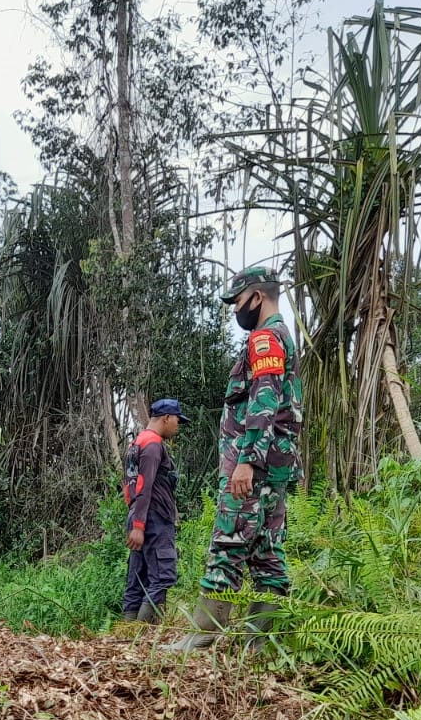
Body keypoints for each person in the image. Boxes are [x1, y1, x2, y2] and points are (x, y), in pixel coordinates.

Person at [164, 266, 302, 652]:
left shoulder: (266, 339)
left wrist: (247, 461)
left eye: (238, 302)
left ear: (257, 297)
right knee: (267, 550)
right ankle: (263, 642)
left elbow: (265, 401)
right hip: (274, 466)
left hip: (253, 466)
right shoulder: (283, 338)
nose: (236, 310)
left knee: (228, 539)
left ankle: (204, 633)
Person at [122, 398, 189, 624]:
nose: (178, 426)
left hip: (139, 515)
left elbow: (130, 486)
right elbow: (144, 485)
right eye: (177, 420)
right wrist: (140, 525)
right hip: (154, 518)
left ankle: (126, 634)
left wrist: (135, 519)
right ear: (166, 418)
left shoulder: (136, 443)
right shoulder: (152, 445)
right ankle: (139, 638)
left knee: (138, 578)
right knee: (163, 576)